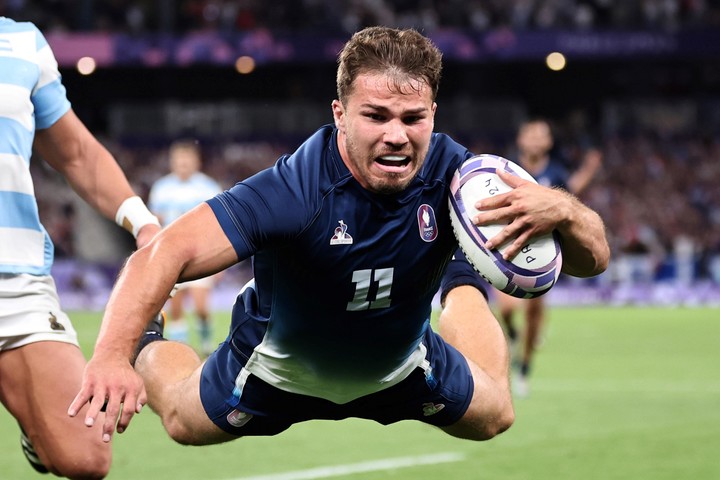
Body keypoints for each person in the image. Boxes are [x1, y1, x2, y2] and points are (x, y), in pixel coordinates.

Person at [69, 27, 609, 449]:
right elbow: (162, 253)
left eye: (412, 118)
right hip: (277, 370)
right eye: (376, 115)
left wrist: (562, 208)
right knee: (183, 422)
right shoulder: (294, 190)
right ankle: (148, 347)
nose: (396, 133)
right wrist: (114, 354)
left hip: (399, 367)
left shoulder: (462, 177)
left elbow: (593, 260)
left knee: (497, 416)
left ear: (433, 115)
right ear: (340, 115)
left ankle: (460, 271)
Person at [0, 17, 161, 478]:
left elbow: (76, 153)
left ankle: (35, 425)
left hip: (18, 282)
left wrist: (144, 223)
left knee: (85, 458)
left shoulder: (22, 41)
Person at [495, 118, 603, 397]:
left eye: (540, 135)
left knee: (533, 314)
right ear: (520, 139)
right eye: (529, 134)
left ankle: (524, 369)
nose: (533, 140)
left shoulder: (556, 173)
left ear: (548, 143)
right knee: (506, 310)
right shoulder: (505, 170)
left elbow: (569, 203)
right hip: (507, 250)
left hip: (542, 253)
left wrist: (589, 170)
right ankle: (514, 335)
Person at [148, 140, 223, 356]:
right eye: (179, 160)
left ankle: (207, 345)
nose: (183, 164)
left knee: (200, 307)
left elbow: (217, 225)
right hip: (173, 254)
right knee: (176, 307)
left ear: (195, 162)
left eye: (186, 160)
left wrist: (220, 263)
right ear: (173, 162)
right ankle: (182, 351)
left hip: (201, 254)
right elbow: (156, 223)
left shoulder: (208, 187)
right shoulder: (161, 188)